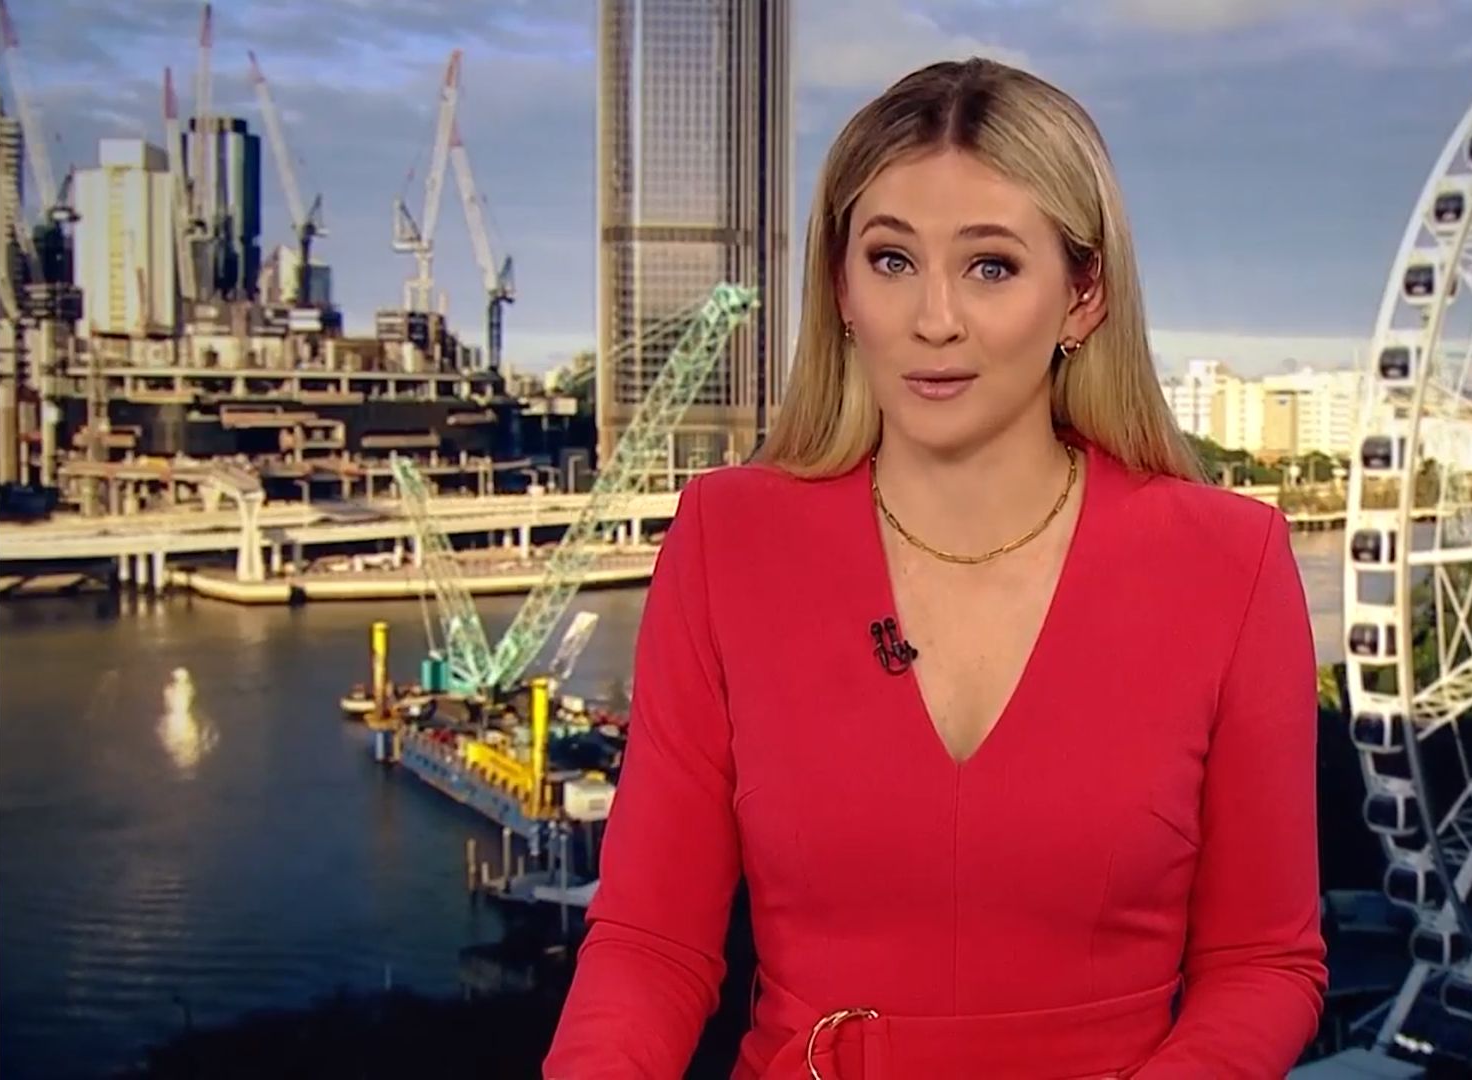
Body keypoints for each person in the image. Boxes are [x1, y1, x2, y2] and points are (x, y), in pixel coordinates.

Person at [545, 57, 1326, 1079]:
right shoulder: (725, 540)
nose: (934, 318)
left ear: (1083, 295)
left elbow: (1263, 964)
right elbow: (652, 943)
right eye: (892, 260)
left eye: (991, 266)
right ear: (841, 287)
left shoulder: (1230, 565)